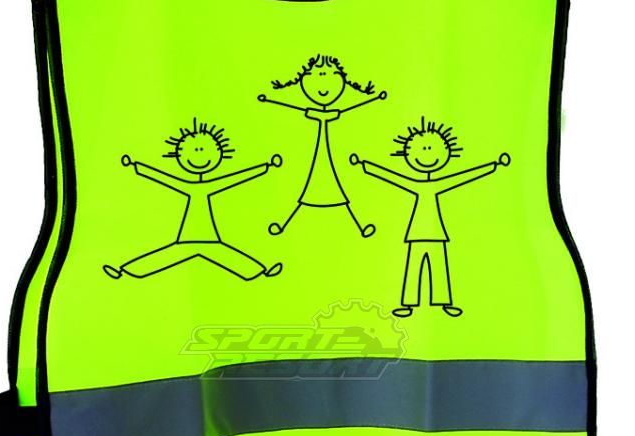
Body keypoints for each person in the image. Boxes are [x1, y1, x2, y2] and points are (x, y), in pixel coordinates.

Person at [351, 117, 510, 317]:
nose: (427, 154)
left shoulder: (438, 184)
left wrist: (493, 165)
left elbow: (465, 176)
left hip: (436, 233)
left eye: (432, 149)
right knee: (414, 269)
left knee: (438, 268)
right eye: (422, 149)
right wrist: (365, 165)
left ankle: (443, 302)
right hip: (417, 233)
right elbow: (392, 177)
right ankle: (408, 304)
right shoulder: (416, 184)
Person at [103, 118, 282, 281]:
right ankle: (124, 270)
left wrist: (265, 167)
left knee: (224, 255)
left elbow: (237, 178)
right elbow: (163, 178)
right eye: (193, 150)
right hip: (188, 238)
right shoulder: (188, 185)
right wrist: (137, 166)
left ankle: (261, 270)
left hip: (209, 238)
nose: (199, 154)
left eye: (204, 150)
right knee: (167, 256)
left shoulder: (209, 185)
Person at [258, 54, 386, 236]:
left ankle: (359, 226)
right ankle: (285, 225)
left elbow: (337, 111)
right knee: (318, 182)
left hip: (325, 155)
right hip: (320, 155)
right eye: (312, 76)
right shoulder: (319, 112)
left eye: (334, 76)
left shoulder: (325, 112)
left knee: (329, 182)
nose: (323, 86)